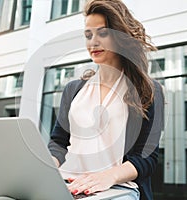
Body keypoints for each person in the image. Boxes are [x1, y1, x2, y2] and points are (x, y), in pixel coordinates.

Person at [48, 0, 164, 199]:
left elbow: (146, 157)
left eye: (102, 33)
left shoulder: (148, 90)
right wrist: (46, 167)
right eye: (88, 35)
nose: (93, 42)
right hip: (68, 184)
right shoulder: (73, 89)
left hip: (117, 189)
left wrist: (106, 177)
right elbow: (59, 142)